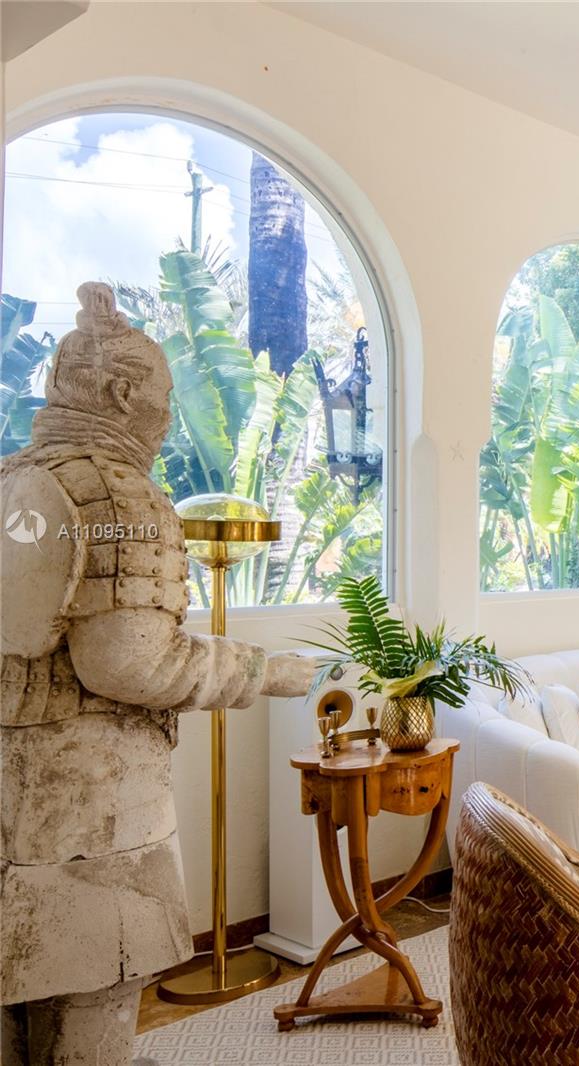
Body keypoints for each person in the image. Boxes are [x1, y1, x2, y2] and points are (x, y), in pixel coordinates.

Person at [1, 283, 316, 1064]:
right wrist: (266, 671)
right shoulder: (119, 492)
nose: (168, 418)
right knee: (93, 998)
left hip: (13, 787)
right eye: (163, 397)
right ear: (121, 392)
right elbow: (131, 661)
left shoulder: (11, 477)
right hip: (93, 805)